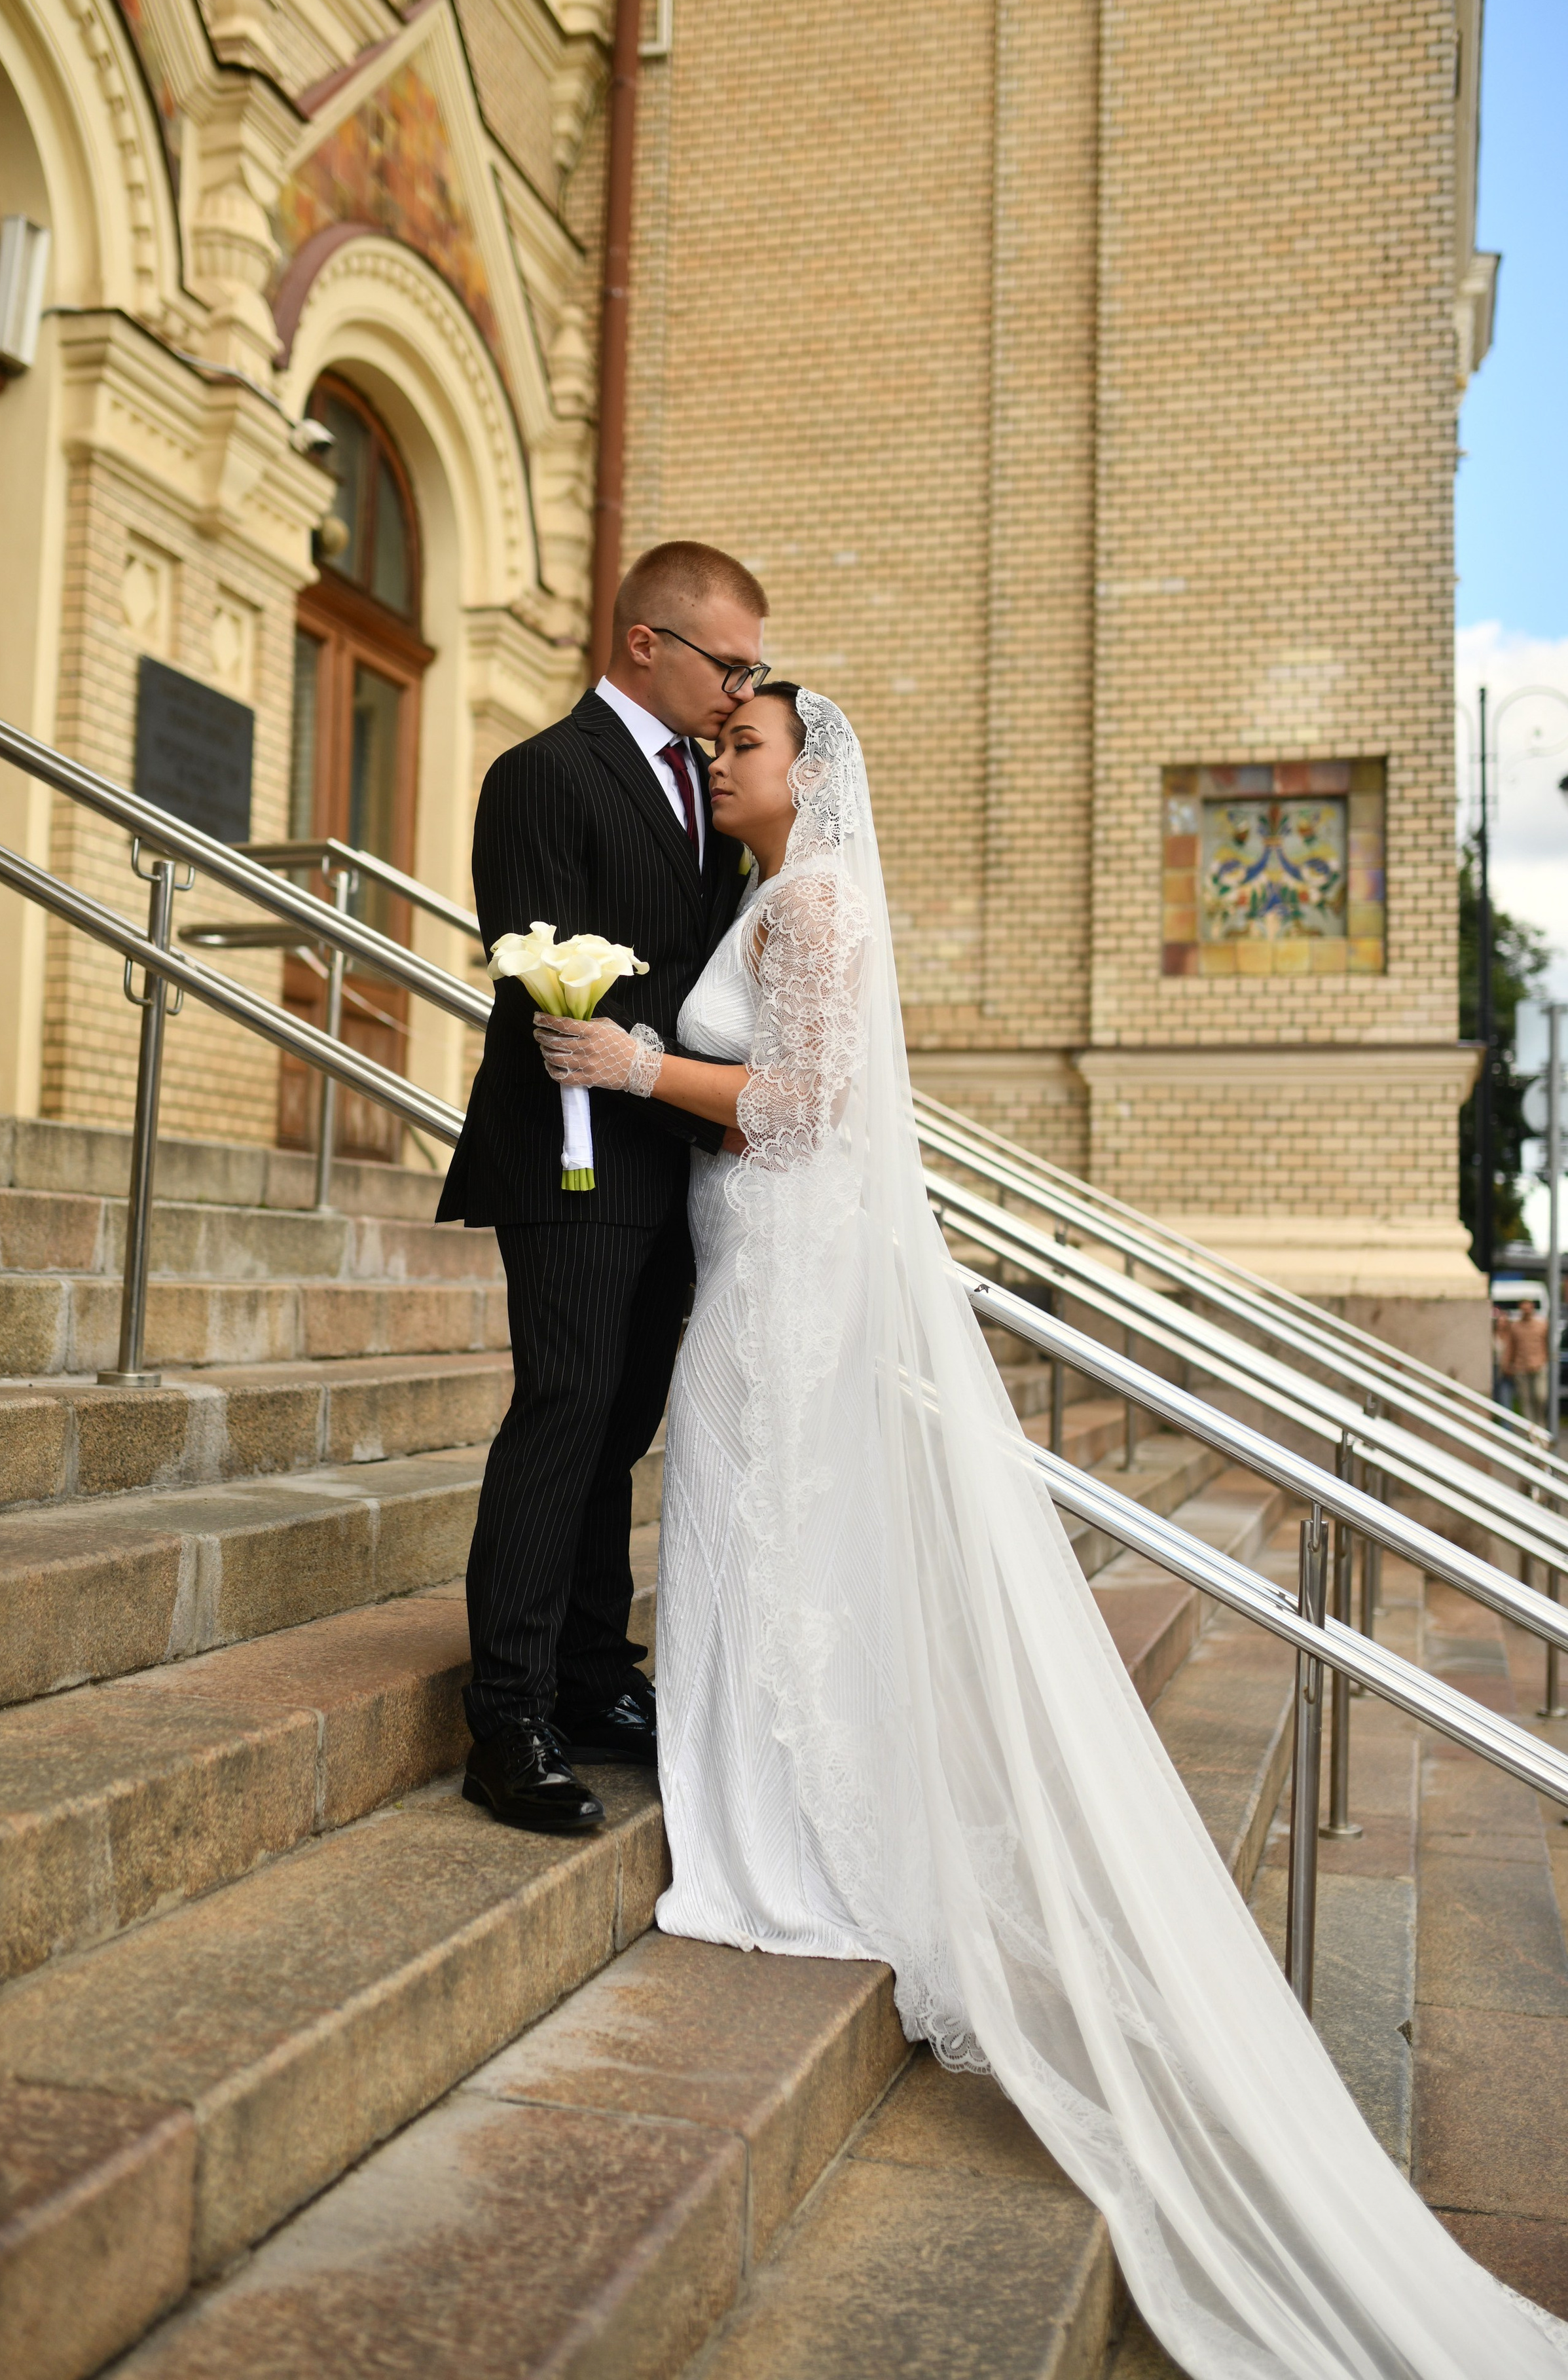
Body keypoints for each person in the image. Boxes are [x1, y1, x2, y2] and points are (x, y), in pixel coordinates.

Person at [536, 686, 1568, 2380]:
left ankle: (790, 1835)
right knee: (762, 1539)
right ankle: (783, 1799)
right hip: (761, 1268)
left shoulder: (816, 903)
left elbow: (803, 1110)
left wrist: (636, 1062)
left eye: (743, 747)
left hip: (782, 1272)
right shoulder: (781, 897)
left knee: (773, 1534)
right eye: (720, 745)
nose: (717, 764)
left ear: (810, 775)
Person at [438, 541, 764, 1833]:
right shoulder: (539, 773)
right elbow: (537, 958)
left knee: (622, 1422)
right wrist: (650, 1068)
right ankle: (505, 1715)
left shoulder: (711, 790)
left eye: (751, 669)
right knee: (563, 1409)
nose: (739, 689)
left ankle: (587, 1675)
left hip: (674, 1157)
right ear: (645, 643)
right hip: (569, 1143)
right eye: (724, 661)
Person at [1512, 1297, 1552, 1428]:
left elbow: (1548, 1344)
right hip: (1521, 1367)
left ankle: (1541, 1426)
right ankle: (1530, 1431)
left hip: (1539, 1365)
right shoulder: (1516, 1326)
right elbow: (1511, 1347)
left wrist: (1547, 1359)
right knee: (1525, 1401)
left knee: (1540, 1397)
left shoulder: (1542, 1325)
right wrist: (1507, 1365)